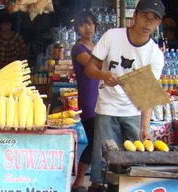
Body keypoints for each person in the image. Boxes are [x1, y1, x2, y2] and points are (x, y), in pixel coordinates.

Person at [84, 0, 165, 191]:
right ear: (135, 16)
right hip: (107, 107)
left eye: (153, 19)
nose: (147, 23)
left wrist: (145, 126)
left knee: (135, 166)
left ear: (158, 24)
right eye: (145, 16)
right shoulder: (112, 36)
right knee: (102, 164)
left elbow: (147, 94)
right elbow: (89, 68)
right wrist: (103, 75)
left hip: (134, 111)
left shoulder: (155, 54)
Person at [70, 11, 99, 192]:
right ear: (77, 29)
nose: (87, 28)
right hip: (89, 100)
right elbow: (93, 65)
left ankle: (95, 181)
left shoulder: (98, 46)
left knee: (101, 141)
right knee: (94, 141)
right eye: (83, 25)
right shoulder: (78, 48)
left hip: (103, 100)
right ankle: (79, 180)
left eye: (90, 23)